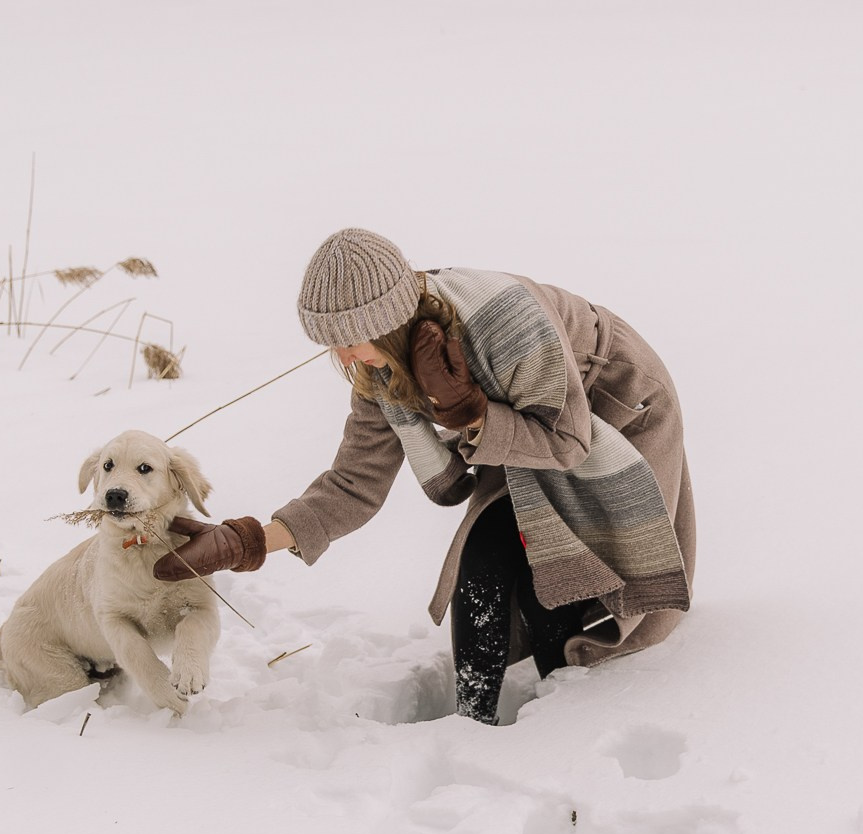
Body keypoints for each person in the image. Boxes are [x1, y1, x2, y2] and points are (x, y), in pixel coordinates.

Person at [153, 228, 697, 724]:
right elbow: (353, 484)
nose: (344, 356)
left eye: (351, 338)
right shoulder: (379, 369)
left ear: (389, 320)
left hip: (612, 412)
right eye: (332, 343)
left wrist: (474, 415)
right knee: (483, 557)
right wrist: (244, 542)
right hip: (526, 430)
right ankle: (472, 719)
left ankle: (563, 724)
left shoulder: (505, 321)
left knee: (554, 572)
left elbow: (571, 441)